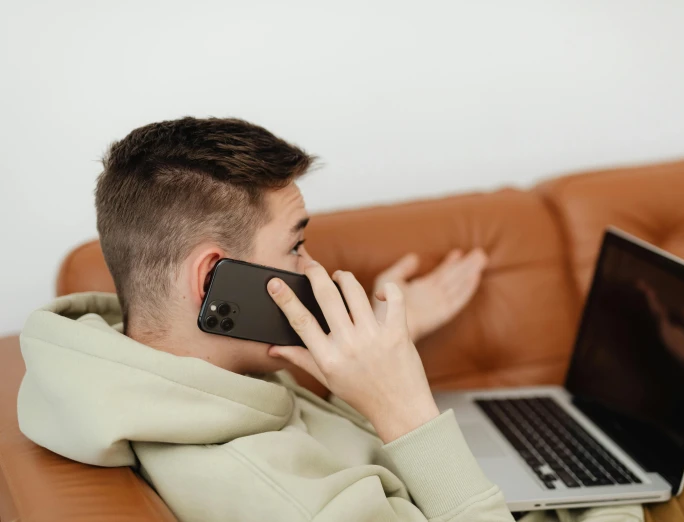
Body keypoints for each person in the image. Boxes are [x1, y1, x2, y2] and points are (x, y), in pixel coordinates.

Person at [18, 116, 519, 521]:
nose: (313, 267)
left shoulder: (165, 384)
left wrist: (378, 334)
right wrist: (404, 409)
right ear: (215, 279)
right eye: (296, 246)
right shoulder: (288, 500)